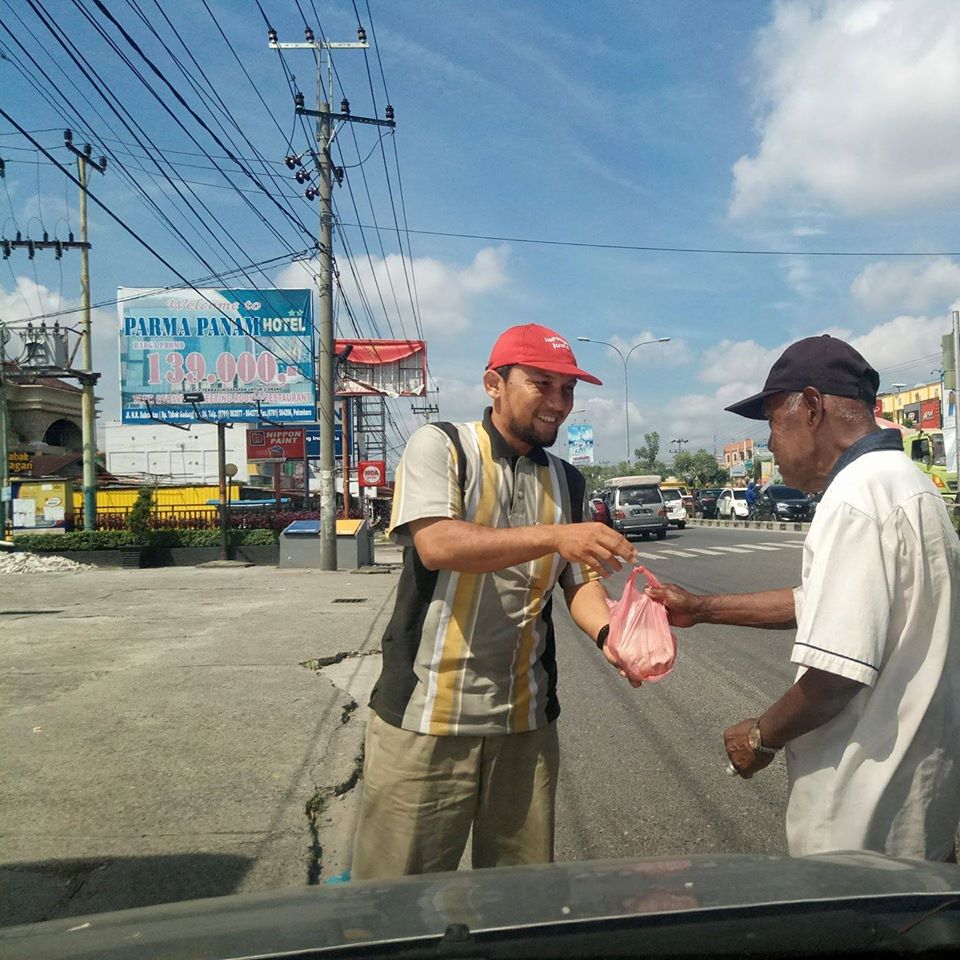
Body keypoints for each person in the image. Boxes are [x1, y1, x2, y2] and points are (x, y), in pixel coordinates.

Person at [648, 335, 960, 860]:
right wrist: (703, 609)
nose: (770, 443)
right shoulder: (906, 483)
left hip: (862, 812)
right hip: (917, 795)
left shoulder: (855, 499)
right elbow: (828, 603)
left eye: (772, 421)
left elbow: (837, 675)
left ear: (812, 408)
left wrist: (759, 738)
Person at [352, 323, 639, 879]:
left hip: (524, 724)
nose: (560, 403)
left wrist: (612, 637)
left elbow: (579, 584)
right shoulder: (442, 446)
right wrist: (555, 536)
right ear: (494, 383)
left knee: (519, 899)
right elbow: (437, 544)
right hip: (425, 719)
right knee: (395, 901)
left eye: (569, 390)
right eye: (542, 384)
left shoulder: (570, 482)